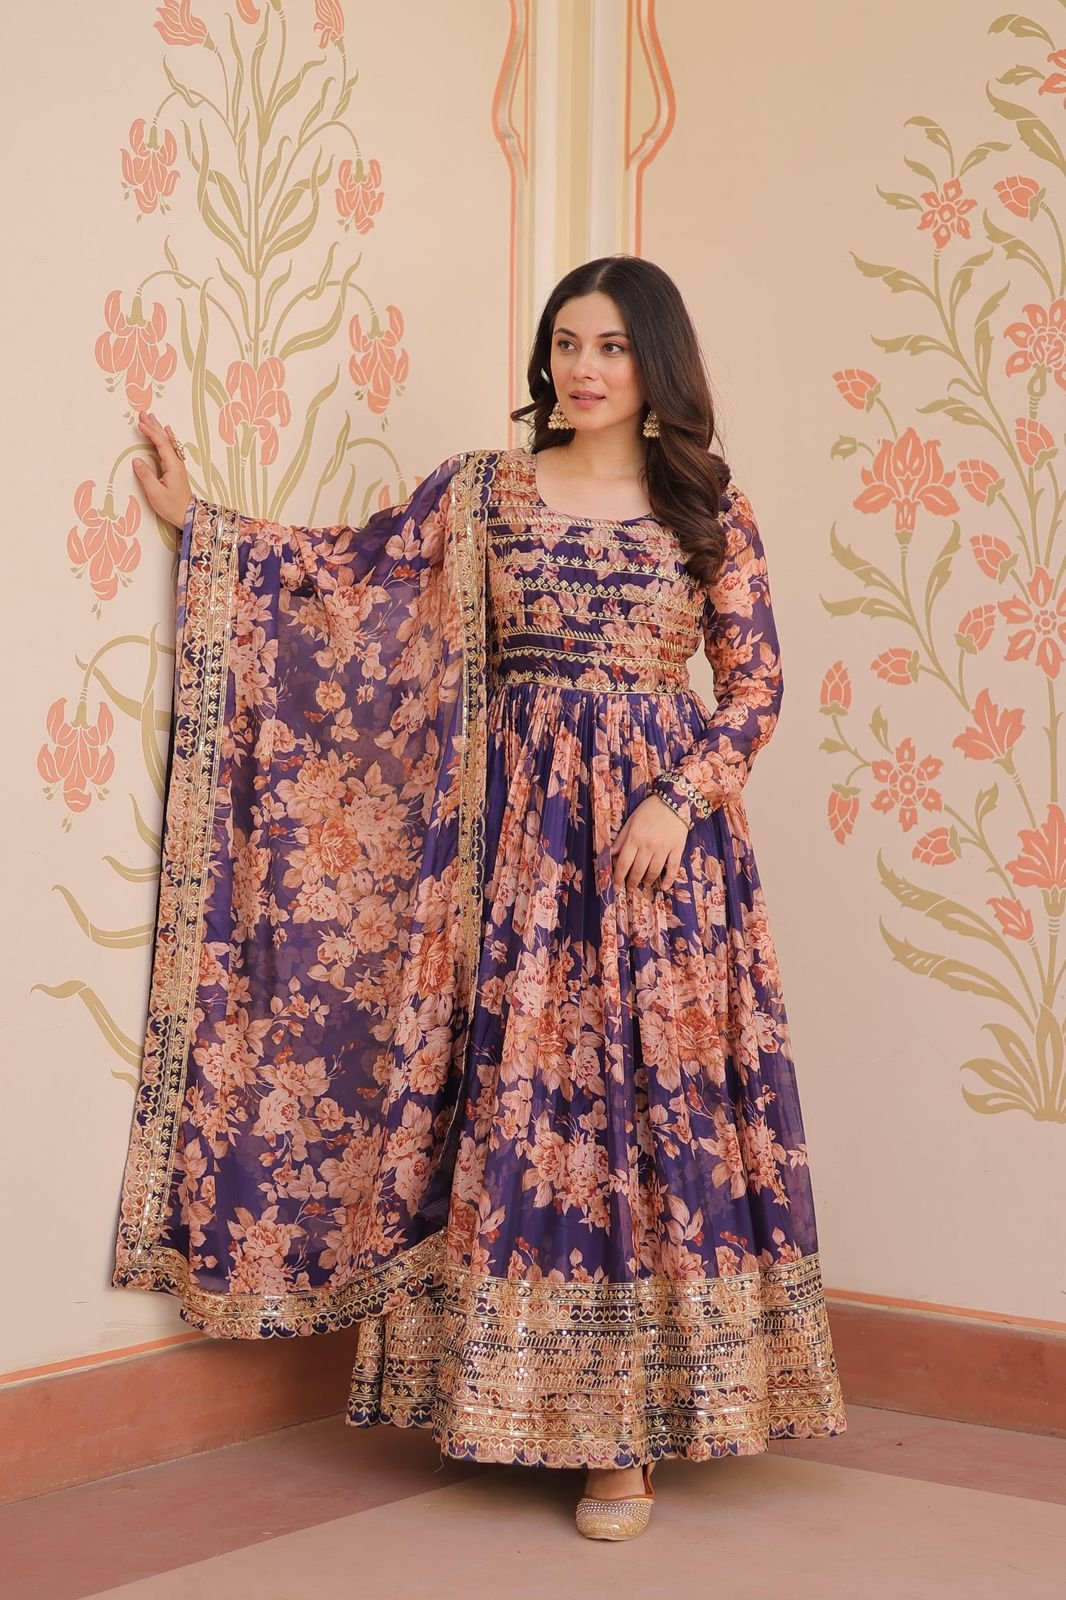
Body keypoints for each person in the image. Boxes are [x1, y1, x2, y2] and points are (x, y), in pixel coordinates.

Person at [118, 254, 847, 1542]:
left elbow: (755, 688)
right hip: (512, 846)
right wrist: (209, 532)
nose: (583, 368)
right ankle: (501, 1398)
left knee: (639, 1114)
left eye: (612, 346)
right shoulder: (486, 494)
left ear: (658, 362)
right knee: (519, 1101)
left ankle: (624, 1441)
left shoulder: (709, 509)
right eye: (566, 343)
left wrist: (679, 796)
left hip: (655, 856)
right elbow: (356, 580)